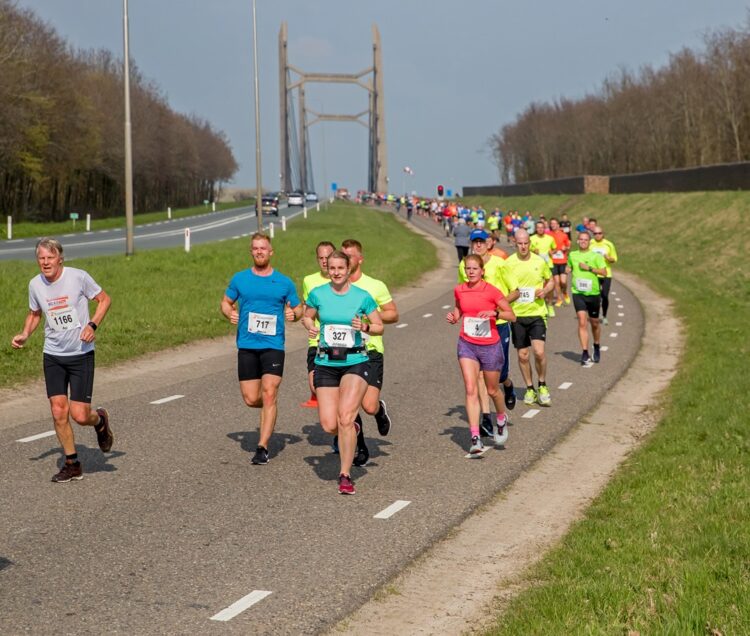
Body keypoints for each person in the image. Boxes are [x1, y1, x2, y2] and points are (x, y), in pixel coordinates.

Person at [12, 237, 113, 483]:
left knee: (80, 415)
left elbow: (104, 300)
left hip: (80, 354)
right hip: (53, 355)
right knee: (58, 411)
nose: (45, 263)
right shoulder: (35, 284)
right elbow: (35, 313)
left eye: (50, 257)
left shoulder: (78, 277)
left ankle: (99, 421)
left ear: (60, 258)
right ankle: (72, 463)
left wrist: (92, 324)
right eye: (41, 258)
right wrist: (26, 334)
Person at [302, 251, 384, 495]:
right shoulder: (318, 294)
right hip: (326, 362)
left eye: (341, 267)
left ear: (349, 269)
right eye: (332, 267)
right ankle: (352, 431)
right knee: (329, 425)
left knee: (346, 417)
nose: (336, 272)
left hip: (356, 361)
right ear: (327, 269)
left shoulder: (363, 296)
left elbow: (379, 326)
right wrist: (310, 327)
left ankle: (345, 474)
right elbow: (307, 317)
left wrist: (366, 326)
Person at [221, 232, 303, 465]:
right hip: (247, 344)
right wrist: (230, 313)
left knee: (269, 393)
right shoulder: (240, 279)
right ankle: (270, 407)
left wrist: (293, 314)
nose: (259, 252)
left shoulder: (284, 282)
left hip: (273, 345)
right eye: (255, 248)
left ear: (271, 252)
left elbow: (298, 309)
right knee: (250, 398)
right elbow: (225, 302)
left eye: (263, 248)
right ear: (251, 252)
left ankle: (262, 447)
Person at [447, 255, 516, 455]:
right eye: (468, 268)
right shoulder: (459, 289)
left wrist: (495, 314)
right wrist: (455, 317)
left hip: (490, 345)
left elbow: (512, 315)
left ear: (482, 271)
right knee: (470, 389)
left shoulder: (492, 291)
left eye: (475, 269)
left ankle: (501, 418)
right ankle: (475, 437)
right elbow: (460, 308)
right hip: (467, 343)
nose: (470, 272)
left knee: (493, 390)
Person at [341, 239, 399, 466]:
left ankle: (379, 411)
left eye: (350, 256)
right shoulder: (336, 287)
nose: (346, 260)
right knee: (350, 403)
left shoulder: (375, 286)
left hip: (371, 349)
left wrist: (368, 317)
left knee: (368, 405)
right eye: (343, 255)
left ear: (360, 259)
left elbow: (393, 314)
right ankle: (360, 446)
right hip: (345, 351)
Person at [459, 229, 516, 438]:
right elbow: (463, 293)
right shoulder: (464, 266)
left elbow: (515, 290)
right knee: (479, 377)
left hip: (497, 323)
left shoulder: (500, 263)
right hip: (474, 330)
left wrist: (495, 308)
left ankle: (508, 386)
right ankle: (485, 418)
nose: (478, 245)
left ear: (490, 243)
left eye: (482, 241)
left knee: (499, 377)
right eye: (475, 242)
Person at [503, 229, 555, 406]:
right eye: (520, 243)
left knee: (539, 352)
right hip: (517, 315)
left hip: (537, 313)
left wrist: (546, 290)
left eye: (526, 243)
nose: (523, 246)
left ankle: (542, 384)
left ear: (530, 244)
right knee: (523, 356)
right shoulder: (508, 264)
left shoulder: (540, 262)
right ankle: (530, 388)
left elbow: (551, 281)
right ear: (514, 243)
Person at [301, 241, 336, 408]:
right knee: (316, 387)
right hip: (317, 342)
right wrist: (309, 324)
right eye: (320, 258)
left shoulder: (344, 279)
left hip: (340, 344)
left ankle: (347, 425)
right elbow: (307, 312)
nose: (324, 261)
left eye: (327, 257)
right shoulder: (309, 281)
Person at [567, 231, 608, 366]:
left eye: (586, 240)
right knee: (582, 322)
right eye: (581, 239)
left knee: (595, 323)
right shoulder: (572, 255)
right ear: (577, 241)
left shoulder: (596, 256)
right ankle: (584, 352)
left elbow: (604, 272)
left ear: (589, 242)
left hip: (593, 294)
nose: (583, 241)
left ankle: (596, 345)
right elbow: (570, 266)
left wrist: (589, 268)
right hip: (578, 293)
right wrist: (568, 268)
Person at [590, 226, 618, 326]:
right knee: (595, 296)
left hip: (606, 273)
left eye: (599, 233)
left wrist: (608, 258)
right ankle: (595, 315)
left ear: (603, 234)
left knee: (605, 295)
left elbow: (614, 259)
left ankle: (605, 315)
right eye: (595, 233)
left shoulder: (609, 244)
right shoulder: (591, 244)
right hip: (594, 273)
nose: (597, 235)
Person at [530, 221, 558, 317]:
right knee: (538, 286)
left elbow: (555, 248)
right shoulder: (531, 239)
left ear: (544, 228)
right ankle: (538, 306)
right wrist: (533, 251)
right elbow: (527, 251)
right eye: (538, 227)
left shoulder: (550, 238)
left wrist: (552, 252)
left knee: (550, 286)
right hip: (536, 266)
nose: (540, 229)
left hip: (548, 265)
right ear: (536, 229)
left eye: (542, 227)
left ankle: (550, 306)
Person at [548, 217, 572, 306]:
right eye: (551, 223)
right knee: (556, 282)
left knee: (563, 281)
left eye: (554, 223)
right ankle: (559, 298)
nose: (553, 225)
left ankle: (565, 292)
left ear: (558, 225)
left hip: (562, 261)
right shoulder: (548, 235)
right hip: (553, 261)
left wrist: (565, 248)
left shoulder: (564, 235)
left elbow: (568, 246)